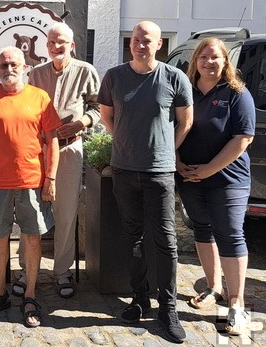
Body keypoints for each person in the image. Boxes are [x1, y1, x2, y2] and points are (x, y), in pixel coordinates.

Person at [98, 21, 193, 343]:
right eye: (135, 40)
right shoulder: (114, 76)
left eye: (146, 40)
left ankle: (168, 309)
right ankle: (139, 299)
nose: (140, 45)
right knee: (133, 237)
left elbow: (185, 121)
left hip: (159, 174)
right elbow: (107, 115)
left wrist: (167, 150)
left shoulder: (174, 77)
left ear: (159, 44)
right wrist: (124, 142)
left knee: (165, 241)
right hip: (124, 170)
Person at [0, 46, 61, 328]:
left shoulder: (40, 98)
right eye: (3, 65)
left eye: (13, 64)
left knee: (32, 238)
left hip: (33, 181)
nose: (8, 69)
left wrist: (51, 179)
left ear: (24, 67)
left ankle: (30, 295)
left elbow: (52, 141)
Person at [13, 22, 100, 299]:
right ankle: (28, 271)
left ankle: (61, 272)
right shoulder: (35, 73)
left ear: (71, 44)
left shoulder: (86, 72)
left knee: (65, 212)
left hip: (70, 149)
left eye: (61, 42)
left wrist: (82, 123)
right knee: (31, 210)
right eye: (51, 42)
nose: (55, 47)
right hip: (37, 151)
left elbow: (98, 107)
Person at [176, 38, 255, 336]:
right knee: (202, 229)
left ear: (225, 62)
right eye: (203, 57)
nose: (209, 63)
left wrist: (209, 170)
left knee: (231, 233)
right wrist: (178, 160)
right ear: (195, 61)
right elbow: (174, 128)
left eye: (215, 58)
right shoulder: (186, 92)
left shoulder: (237, 93)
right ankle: (213, 287)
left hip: (227, 179)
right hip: (189, 176)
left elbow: (243, 138)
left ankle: (236, 304)